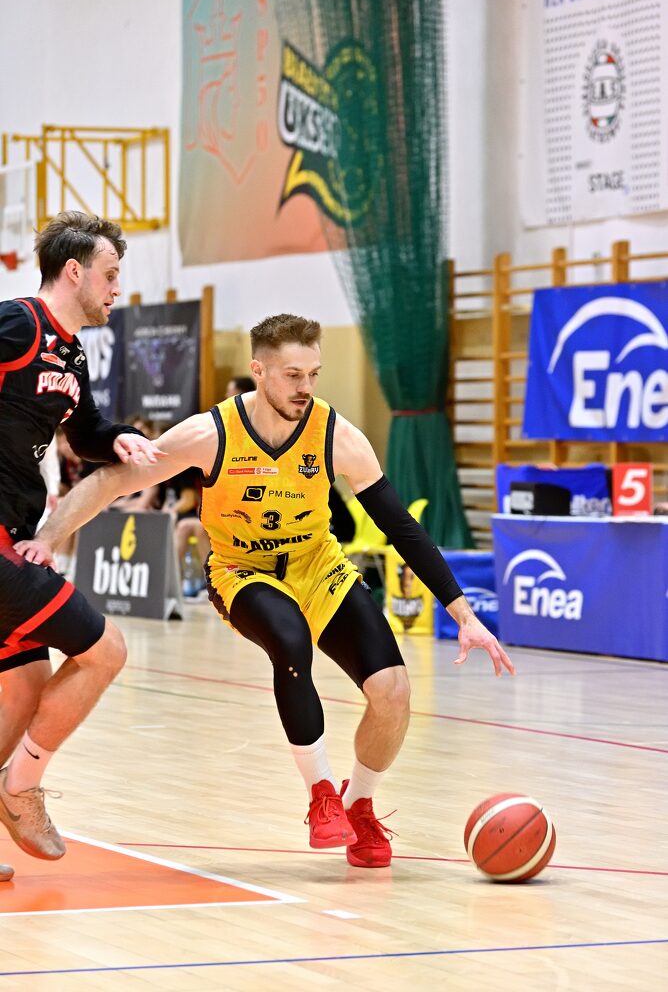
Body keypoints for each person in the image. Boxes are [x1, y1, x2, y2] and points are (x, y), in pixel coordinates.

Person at [17, 313, 515, 869]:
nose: (306, 387)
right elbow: (112, 480)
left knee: (394, 693)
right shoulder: (211, 434)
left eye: (314, 374)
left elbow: (401, 527)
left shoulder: (336, 435)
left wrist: (464, 613)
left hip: (316, 565)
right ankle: (321, 793)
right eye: (293, 375)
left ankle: (358, 804)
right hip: (242, 570)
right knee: (290, 637)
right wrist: (49, 538)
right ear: (259, 371)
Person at [0, 210, 162, 882]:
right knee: (106, 649)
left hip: (15, 536)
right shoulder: (16, 323)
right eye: (110, 274)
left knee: (24, 688)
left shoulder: (70, 353)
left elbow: (86, 430)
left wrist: (118, 438)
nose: (117, 288)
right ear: (74, 271)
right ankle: (19, 789)